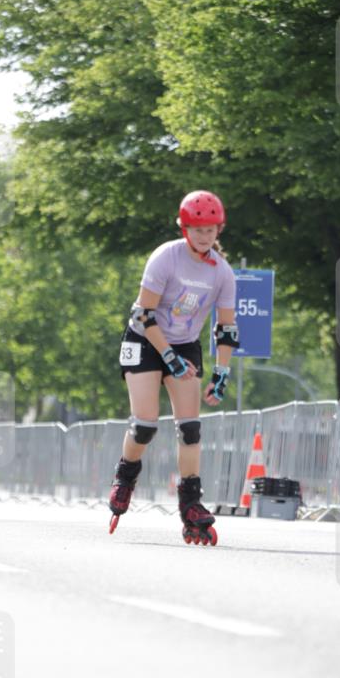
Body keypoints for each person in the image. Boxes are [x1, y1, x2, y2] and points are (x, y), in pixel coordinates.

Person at [109, 189, 239, 544]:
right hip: (144, 340)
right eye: (198, 229)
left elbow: (226, 329)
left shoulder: (222, 273)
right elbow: (143, 313)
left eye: (211, 230)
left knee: (191, 428)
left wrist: (221, 373)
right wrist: (168, 356)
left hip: (184, 344)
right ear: (184, 228)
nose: (204, 236)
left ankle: (191, 504)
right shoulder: (166, 257)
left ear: (219, 231)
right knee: (146, 425)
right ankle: (125, 476)